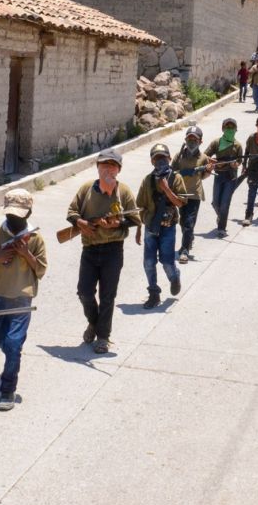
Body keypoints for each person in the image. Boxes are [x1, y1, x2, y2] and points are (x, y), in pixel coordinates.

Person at [0, 189, 47, 412]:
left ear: (28, 214)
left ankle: (7, 389)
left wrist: (27, 253)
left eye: (18, 216)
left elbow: (41, 270)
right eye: (10, 216)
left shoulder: (35, 238)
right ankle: (12, 354)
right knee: (0, 337)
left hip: (22, 299)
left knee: (14, 343)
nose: (14, 220)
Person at [67, 149, 142, 354]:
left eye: (112, 165)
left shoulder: (123, 192)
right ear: (98, 167)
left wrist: (117, 224)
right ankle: (94, 322)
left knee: (108, 296)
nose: (108, 169)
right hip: (90, 249)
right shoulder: (86, 189)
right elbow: (71, 213)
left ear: (118, 169)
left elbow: (135, 219)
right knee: (84, 292)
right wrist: (81, 222)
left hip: (113, 250)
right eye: (104, 165)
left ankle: (103, 337)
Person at [137, 143, 187, 308]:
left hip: (168, 227)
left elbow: (180, 202)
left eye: (163, 158)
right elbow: (140, 205)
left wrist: (166, 190)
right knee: (149, 262)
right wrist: (142, 224)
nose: (160, 162)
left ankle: (174, 277)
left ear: (169, 159)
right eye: (157, 158)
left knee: (167, 262)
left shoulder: (176, 178)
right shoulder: (147, 180)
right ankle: (154, 292)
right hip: (151, 227)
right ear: (152, 161)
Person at [171, 127, 213, 263]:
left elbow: (204, 176)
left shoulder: (204, 158)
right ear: (185, 139)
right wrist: (183, 173)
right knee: (182, 222)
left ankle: (184, 250)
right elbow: (171, 173)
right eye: (189, 138)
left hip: (194, 194)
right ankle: (189, 239)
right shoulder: (178, 156)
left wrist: (208, 170)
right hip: (180, 195)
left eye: (195, 139)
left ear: (200, 141)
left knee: (189, 223)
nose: (192, 141)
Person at [205, 118, 243, 237]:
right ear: (223, 128)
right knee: (215, 202)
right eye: (227, 127)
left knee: (225, 203)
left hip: (231, 177)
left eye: (232, 128)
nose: (230, 130)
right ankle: (221, 217)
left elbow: (240, 160)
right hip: (218, 175)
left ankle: (222, 227)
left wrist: (235, 164)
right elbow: (205, 156)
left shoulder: (238, 145)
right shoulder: (216, 142)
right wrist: (215, 162)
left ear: (236, 130)